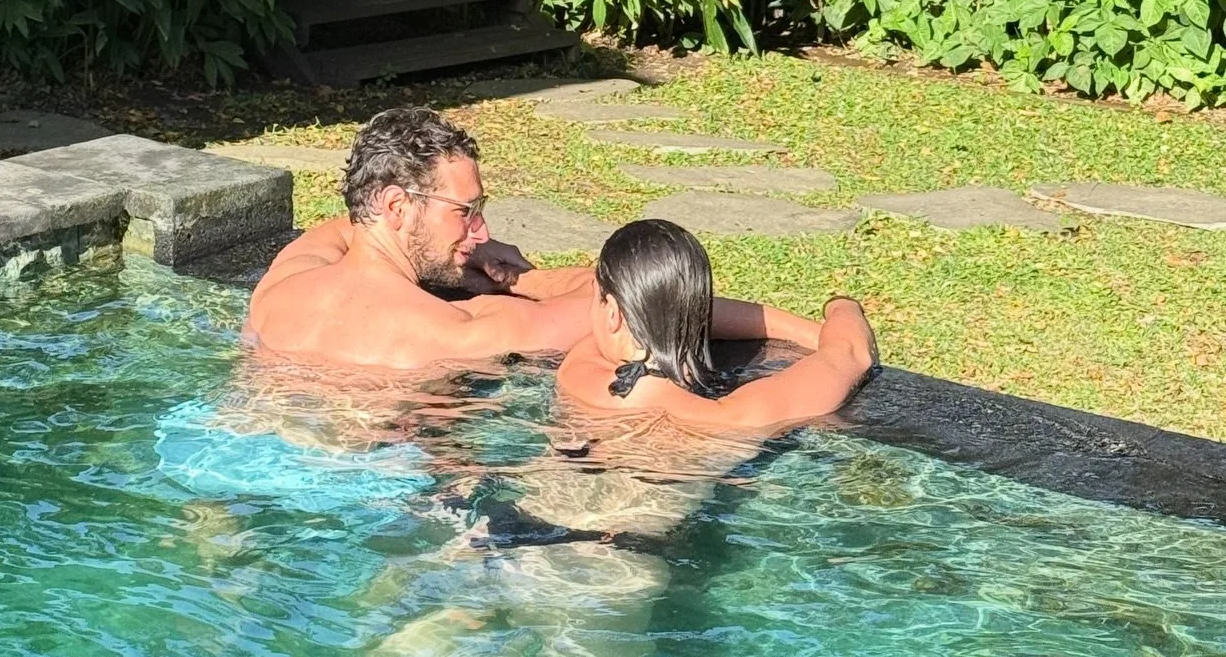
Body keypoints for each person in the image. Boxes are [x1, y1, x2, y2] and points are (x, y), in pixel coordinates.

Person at [246, 107, 826, 372]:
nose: (482, 231)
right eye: (466, 212)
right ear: (397, 207)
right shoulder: (457, 331)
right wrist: (812, 333)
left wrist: (460, 251)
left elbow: (343, 228)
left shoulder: (283, 284)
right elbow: (643, 301)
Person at [557, 218, 877, 442]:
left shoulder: (577, 373)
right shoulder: (726, 421)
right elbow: (851, 353)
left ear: (612, 312)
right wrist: (842, 306)